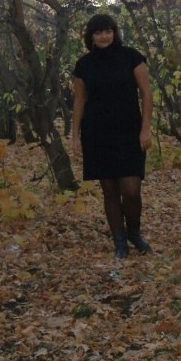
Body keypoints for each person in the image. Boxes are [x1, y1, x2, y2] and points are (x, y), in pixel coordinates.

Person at [72, 13, 153, 259]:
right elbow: (79, 101)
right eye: (98, 32)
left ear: (115, 33)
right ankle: (119, 241)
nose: (104, 36)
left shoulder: (132, 57)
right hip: (97, 133)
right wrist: (75, 136)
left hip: (129, 131)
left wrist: (146, 128)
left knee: (131, 189)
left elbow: (146, 94)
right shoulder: (84, 65)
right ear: (91, 36)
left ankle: (134, 232)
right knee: (109, 190)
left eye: (108, 31)